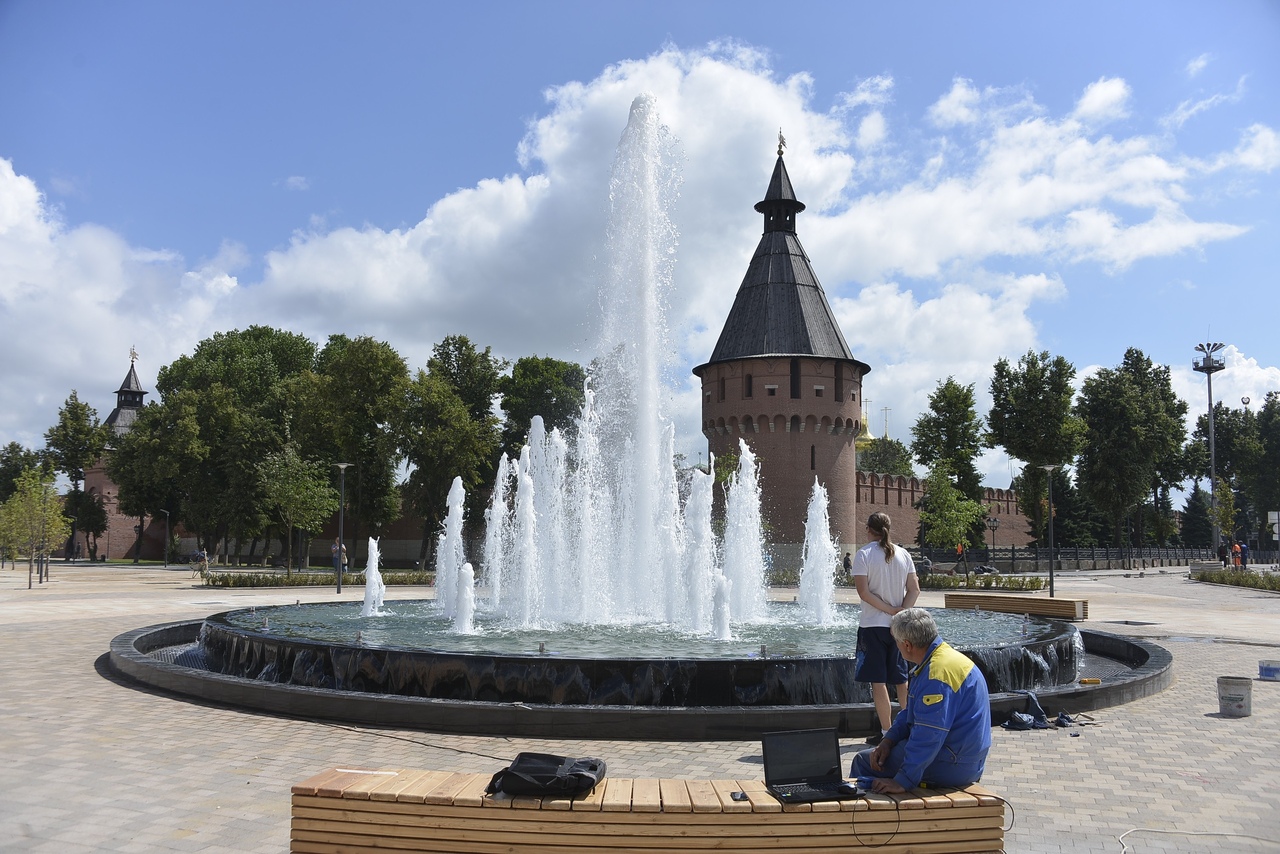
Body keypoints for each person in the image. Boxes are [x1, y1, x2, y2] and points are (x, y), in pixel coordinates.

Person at [850, 608, 992, 793]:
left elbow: (928, 735)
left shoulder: (936, 676)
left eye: (897, 642)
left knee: (864, 762)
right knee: (884, 754)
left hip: (954, 764)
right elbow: (910, 713)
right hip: (963, 756)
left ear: (907, 645)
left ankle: (863, 820)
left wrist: (903, 780)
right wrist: (889, 740)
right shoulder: (942, 660)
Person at [852, 512, 920, 745]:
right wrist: (902, 612)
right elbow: (914, 589)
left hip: (873, 626)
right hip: (898, 628)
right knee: (902, 680)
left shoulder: (864, 555)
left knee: (878, 682)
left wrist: (890, 610)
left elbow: (863, 593)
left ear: (868, 529)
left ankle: (885, 732)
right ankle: (911, 728)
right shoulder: (903, 554)